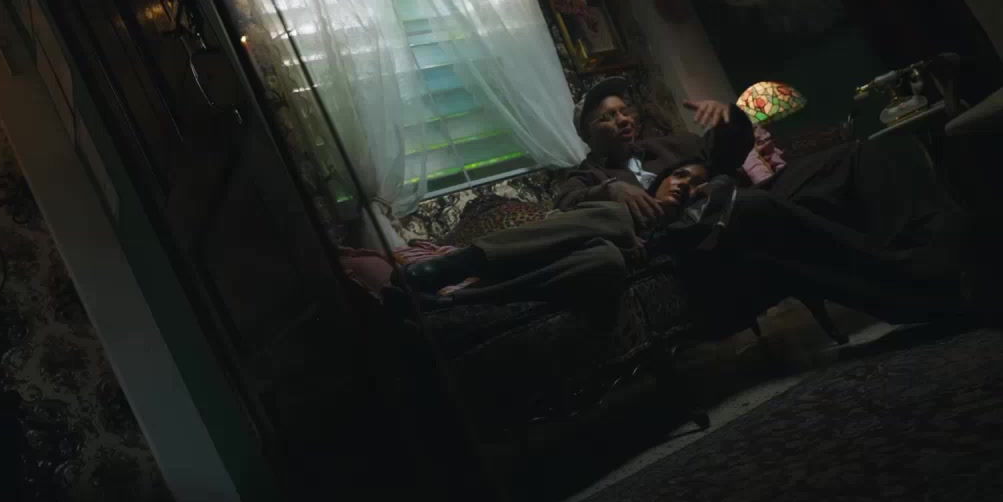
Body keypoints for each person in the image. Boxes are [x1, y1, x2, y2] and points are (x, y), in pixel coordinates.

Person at [405, 77, 965, 324]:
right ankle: (906, 278)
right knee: (753, 211)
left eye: (624, 112)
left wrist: (729, 120)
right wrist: (622, 187)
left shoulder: (668, 143)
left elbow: (723, 155)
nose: (622, 121)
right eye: (606, 118)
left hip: (732, 193)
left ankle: (927, 241)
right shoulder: (584, 173)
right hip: (698, 230)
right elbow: (575, 201)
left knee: (861, 155)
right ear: (588, 133)